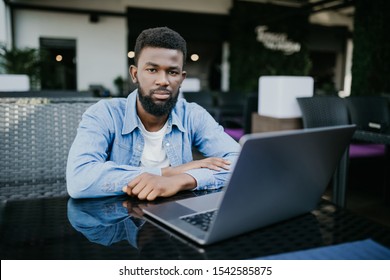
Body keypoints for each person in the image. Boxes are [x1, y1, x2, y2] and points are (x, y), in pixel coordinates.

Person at [66, 27, 240, 201]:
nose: (163, 81)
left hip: (174, 217)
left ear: (181, 78)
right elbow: (79, 179)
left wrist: (182, 180)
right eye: (152, 70)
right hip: (117, 219)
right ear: (135, 74)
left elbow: (241, 164)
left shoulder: (192, 115)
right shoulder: (105, 114)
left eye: (172, 72)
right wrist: (169, 172)